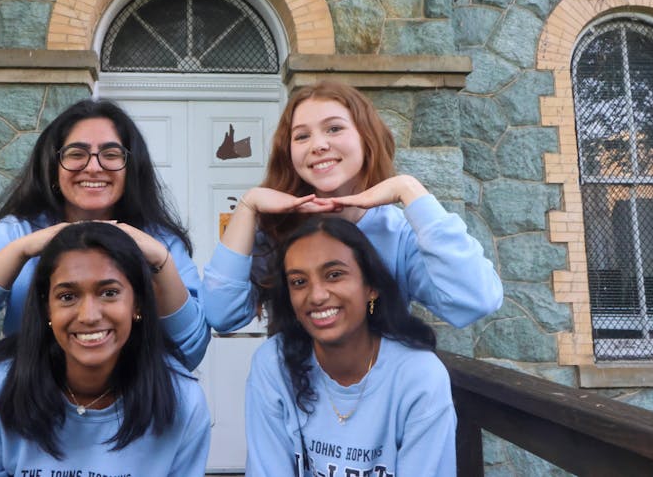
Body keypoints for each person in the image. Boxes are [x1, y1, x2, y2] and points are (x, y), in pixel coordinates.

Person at [0, 98, 211, 369]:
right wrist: (21, 250)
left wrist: (161, 262)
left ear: (131, 169)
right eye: (76, 154)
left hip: (135, 403)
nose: (93, 167)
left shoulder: (161, 243)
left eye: (110, 154)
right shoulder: (15, 234)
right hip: (32, 401)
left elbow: (190, 350)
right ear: (53, 167)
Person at [203, 80, 502, 333]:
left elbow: (476, 300)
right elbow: (221, 314)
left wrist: (409, 189)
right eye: (302, 136)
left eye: (334, 129)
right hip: (294, 383)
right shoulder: (276, 229)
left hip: (384, 383)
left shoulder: (399, 233)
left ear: (366, 137)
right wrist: (247, 206)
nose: (318, 145)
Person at [0, 221, 211, 476]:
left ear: (138, 304)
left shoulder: (183, 402)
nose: (89, 316)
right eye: (68, 297)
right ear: (47, 308)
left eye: (109, 293)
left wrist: (163, 259)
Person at [245, 217, 456, 477]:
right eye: (299, 282)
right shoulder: (273, 364)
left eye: (334, 275)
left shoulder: (419, 376)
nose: (317, 296)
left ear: (371, 287)